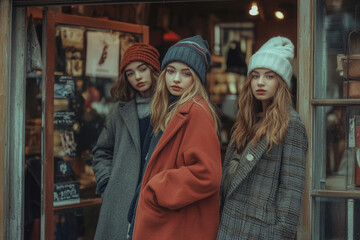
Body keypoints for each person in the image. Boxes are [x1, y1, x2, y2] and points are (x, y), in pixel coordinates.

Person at [130, 35, 222, 240]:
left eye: (185, 73)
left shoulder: (196, 111)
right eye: (170, 71)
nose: (176, 79)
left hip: (175, 222)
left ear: (196, 78)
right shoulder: (169, 107)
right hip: (162, 217)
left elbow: (207, 173)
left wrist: (157, 188)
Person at [217, 36, 308, 240]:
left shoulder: (291, 124)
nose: (260, 82)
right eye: (256, 76)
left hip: (260, 231)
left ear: (281, 82)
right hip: (229, 224)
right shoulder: (245, 121)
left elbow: (291, 192)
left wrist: (279, 235)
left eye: (269, 76)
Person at [92, 43, 160, 240]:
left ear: (154, 70)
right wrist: (106, 184)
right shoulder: (118, 111)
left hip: (155, 198)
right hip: (120, 201)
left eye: (142, 69)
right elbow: (101, 151)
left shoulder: (170, 109)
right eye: (130, 73)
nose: (137, 77)